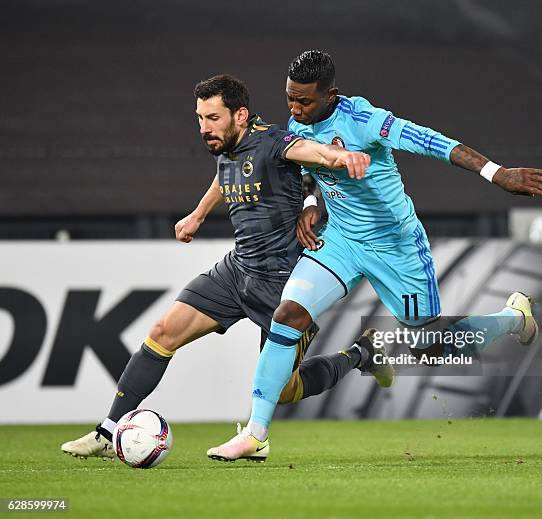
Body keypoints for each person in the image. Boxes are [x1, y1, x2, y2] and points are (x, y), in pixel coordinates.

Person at [207, 51, 542, 462]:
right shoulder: (299, 123)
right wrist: (312, 203)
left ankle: (515, 318)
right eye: (289, 98)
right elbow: (306, 171)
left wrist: (496, 173)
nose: (294, 109)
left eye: (304, 101)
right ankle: (255, 433)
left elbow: (431, 141)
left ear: (330, 94)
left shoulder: (365, 120)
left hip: (396, 247)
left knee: (434, 347)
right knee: (288, 316)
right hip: (340, 241)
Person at [60, 74, 394, 460]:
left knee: (284, 391)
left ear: (241, 115)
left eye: (213, 118)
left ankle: (361, 354)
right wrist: (198, 215)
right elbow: (226, 177)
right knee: (163, 331)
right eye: (200, 118)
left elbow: (312, 152)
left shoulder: (272, 142)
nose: (205, 128)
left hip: (284, 287)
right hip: (236, 272)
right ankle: (108, 430)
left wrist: (341, 156)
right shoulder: (227, 146)